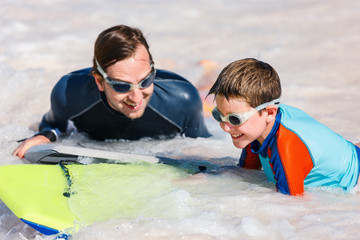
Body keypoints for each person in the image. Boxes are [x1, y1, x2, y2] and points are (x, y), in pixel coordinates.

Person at [13, 25, 211, 158]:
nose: (135, 97)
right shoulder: (69, 93)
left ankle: (205, 68)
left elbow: (205, 148)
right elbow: (54, 125)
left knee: (206, 93)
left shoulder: (182, 99)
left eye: (146, 80)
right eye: (122, 86)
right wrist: (45, 136)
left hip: (182, 90)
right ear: (99, 81)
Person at [207, 58, 360, 196]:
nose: (226, 127)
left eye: (235, 119)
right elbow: (246, 173)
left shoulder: (286, 147)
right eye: (218, 115)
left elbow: (292, 207)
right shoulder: (256, 128)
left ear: (270, 113)